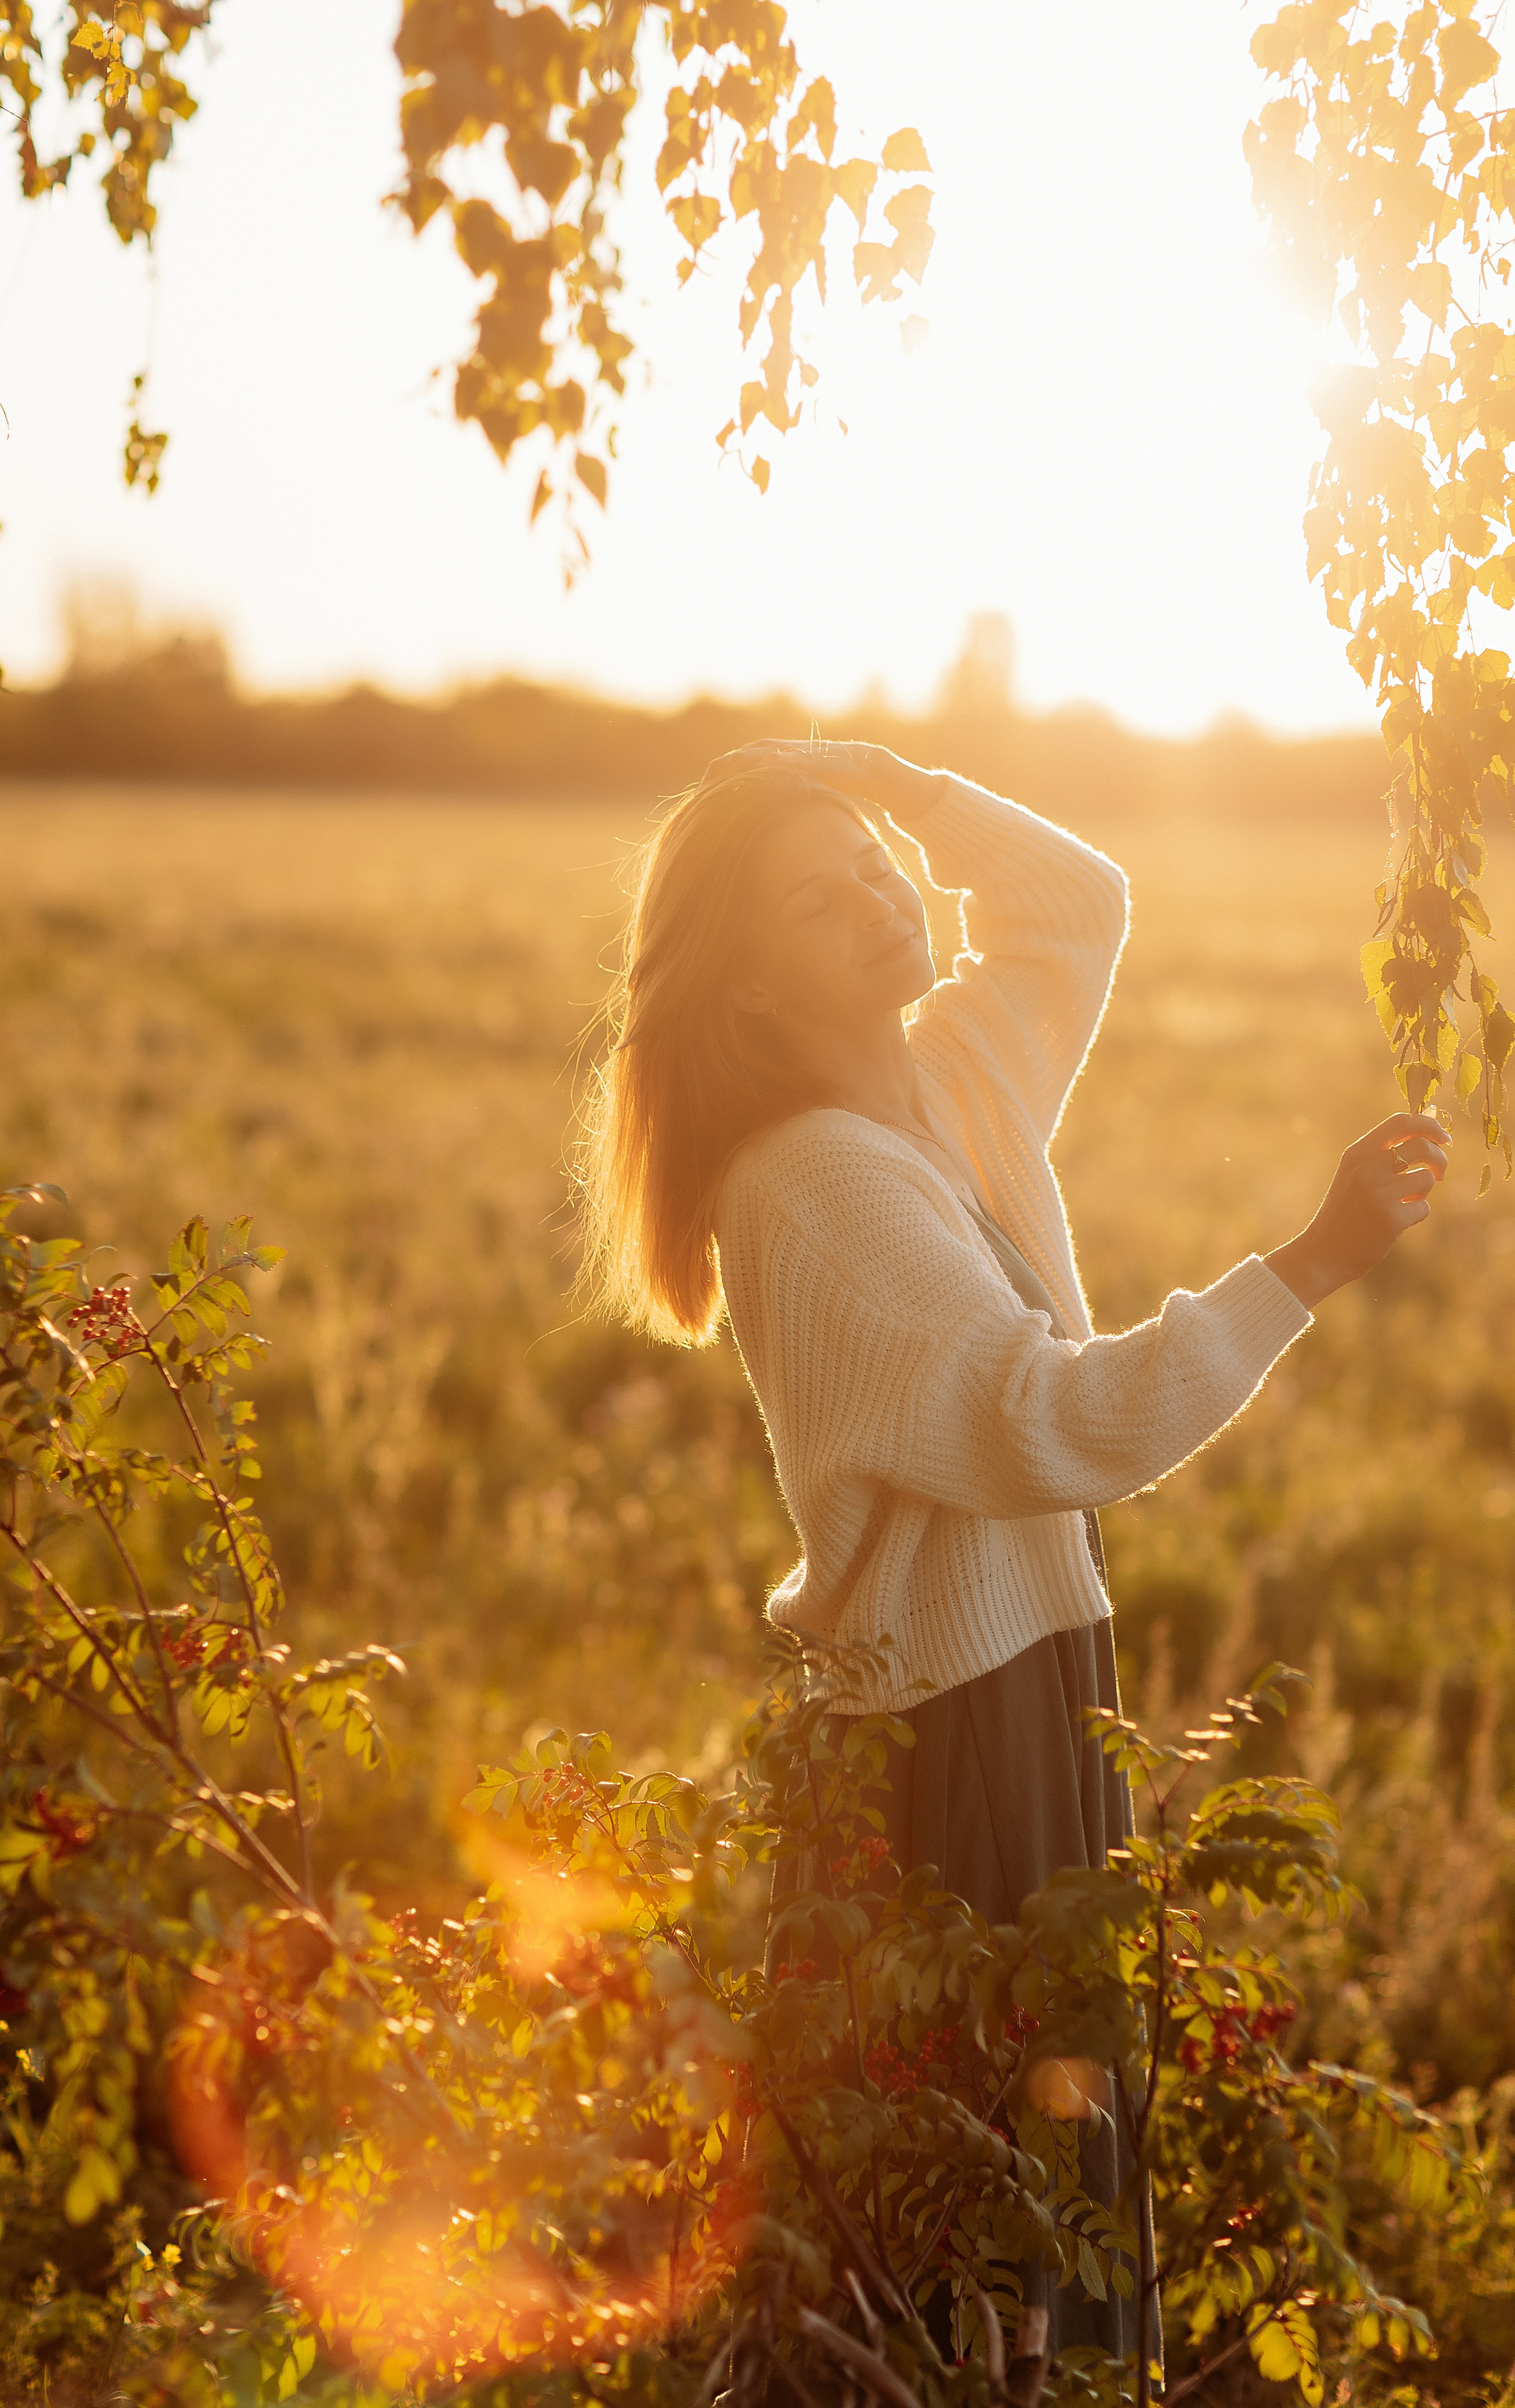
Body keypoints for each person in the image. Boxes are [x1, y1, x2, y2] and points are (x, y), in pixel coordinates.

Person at [580, 738, 1448, 2361]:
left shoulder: (952, 1071)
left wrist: (865, 776)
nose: (872, 893)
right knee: (970, 2208)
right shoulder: (811, 1180)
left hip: (1037, 1679)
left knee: (1048, 2163)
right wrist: (1313, 1259)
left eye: (871, 863)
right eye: (811, 898)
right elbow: (1049, 1422)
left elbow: (1077, 905)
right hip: (942, 1741)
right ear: (748, 994)